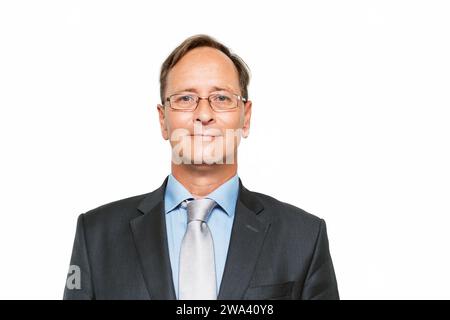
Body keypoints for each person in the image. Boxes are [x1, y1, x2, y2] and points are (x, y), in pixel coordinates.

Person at [63, 34, 339, 300]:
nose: (204, 114)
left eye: (221, 98)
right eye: (185, 98)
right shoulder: (96, 235)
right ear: (163, 120)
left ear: (246, 118)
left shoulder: (303, 238)